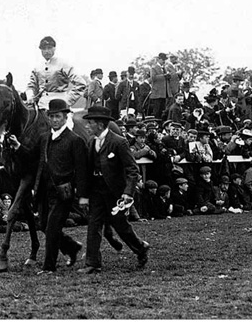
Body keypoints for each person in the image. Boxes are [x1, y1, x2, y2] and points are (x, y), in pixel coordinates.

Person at [79, 105, 150, 274]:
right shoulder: (91, 142)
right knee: (93, 224)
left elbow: (133, 170)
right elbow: (87, 171)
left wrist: (127, 193)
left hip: (115, 193)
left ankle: (140, 248)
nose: (87, 126)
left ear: (100, 125)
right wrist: (84, 194)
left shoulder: (119, 142)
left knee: (120, 226)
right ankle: (93, 263)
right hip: (96, 191)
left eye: (90, 123)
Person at [34, 99, 87, 274]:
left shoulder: (75, 140)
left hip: (63, 192)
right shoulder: (45, 138)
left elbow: (81, 169)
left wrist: (81, 193)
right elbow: (36, 159)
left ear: (65, 117)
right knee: (42, 224)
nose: (54, 120)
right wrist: (18, 147)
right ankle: (71, 247)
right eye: (52, 116)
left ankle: (49, 267)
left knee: (52, 228)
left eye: (58, 116)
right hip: (44, 190)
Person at [25, 36, 86, 110]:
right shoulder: (37, 67)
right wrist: (30, 97)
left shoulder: (63, 64)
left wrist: (67, 101)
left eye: (49, 48)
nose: (47, 51)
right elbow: (31, 86)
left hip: (60, 104)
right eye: (44, 48)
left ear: (54, 48)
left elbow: (81, 83)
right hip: (42, 105)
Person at [149, 52, 181, 119]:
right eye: (162, 59)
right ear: (159, 59)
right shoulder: (154, 68)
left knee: (162, 111)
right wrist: (164, 76)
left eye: (164, 60)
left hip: (164, 94)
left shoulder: (165, 68)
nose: (164, 61)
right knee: (157, 111)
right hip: (157, 93)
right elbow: (153, 78)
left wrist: (171, 75)